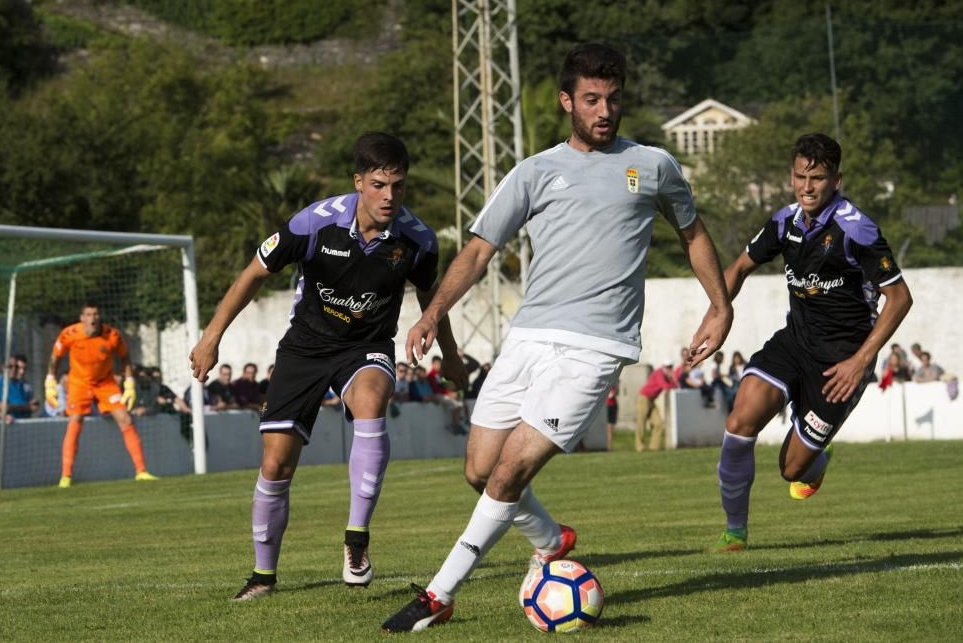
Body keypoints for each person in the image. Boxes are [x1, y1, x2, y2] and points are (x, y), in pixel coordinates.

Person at [382, 42, 731, 632]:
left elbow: (693, 236)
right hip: (528, 338)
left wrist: (720, 307)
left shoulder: (653, 166)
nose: (605, 110)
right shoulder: (534, 172)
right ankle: (550, 537)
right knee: (478, 468)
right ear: (567, 101)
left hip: (596, 348)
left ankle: (439, 594)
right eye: (592, 99)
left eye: (614, 99)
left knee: (508, 474)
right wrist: (430, 314)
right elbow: (476, 253)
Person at [188, 132, 465, 601]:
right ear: (359, 181)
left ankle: (356, 540)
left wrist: (452, 356)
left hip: (366, 347)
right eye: (379, 184)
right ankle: (262, 577)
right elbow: (254, 272)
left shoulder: (417, 240)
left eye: (398, 185)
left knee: (372, 400)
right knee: (275, 465)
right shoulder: (313, 224)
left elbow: (431, 299)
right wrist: (211, 337)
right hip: (305, 347)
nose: (389, 196)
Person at [711, 133, 912, 552]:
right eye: (800, 176)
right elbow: (738, 267)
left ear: (836, 180)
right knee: (739, 421)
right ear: (791, 176)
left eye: (817, 178)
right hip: (795, 343)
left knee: (791, 470)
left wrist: (862, 360)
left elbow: (900, 297)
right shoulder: (785, 222)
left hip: (841, 362)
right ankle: (734, 534)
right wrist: (715, 316)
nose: (807, 186)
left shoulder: (857, 230)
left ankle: (817, 461)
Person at [47, 302, 159, 488]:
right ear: (82, 318)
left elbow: (125, 358)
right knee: (75, 420)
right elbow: (55, 357)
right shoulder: (69, 334)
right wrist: (50, 381)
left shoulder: (112, 335)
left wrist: (129, 383)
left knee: (126, 419)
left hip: (105, 383)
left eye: (96, 314)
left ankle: (141, 471)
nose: (93, 318)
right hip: (79, 382)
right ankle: (66, 476)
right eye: (89, 314)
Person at [635, 359, 677, 452]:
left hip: (651, 400)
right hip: (643, 398)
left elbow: (675, 386)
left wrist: (672, 379)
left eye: (670, 367)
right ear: (663, 367)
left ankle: (654, 447)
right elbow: (665, 387)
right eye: (667, 367)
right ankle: (640, 447)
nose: (669, 369)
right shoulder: (659, 373)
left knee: (658, 424)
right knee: (641, 422)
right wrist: (671, 379)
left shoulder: (667, 377)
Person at [0, 354, 39, 419]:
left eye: (16, 367)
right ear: (3, 368)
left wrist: (32, 404)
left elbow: (28, 404)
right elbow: (3, 407)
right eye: (10, 366)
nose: (14, 369)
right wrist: (27, 407)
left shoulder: (21, 385)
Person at [604, 382, 619, 451]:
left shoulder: (615, 382)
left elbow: (614, 393)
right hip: (607, 405)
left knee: (611, 428)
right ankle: (608, 447)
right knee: (608, 427)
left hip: (613, 405)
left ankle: (609, 447)